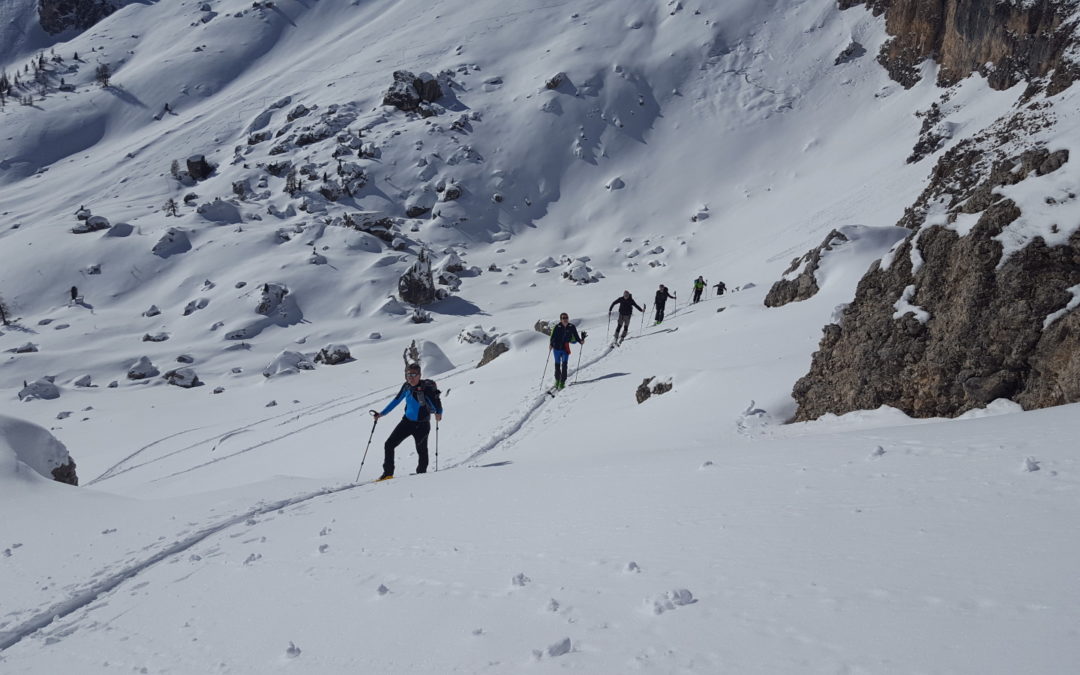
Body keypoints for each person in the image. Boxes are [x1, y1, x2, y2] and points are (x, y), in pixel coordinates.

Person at [373, 362, 443, 480]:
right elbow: (396, 401)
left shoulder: (426, 388)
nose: (411, 377)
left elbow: (436, 403)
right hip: (407, 422)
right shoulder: (406, 386)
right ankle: (388, 474)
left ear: (419, 375)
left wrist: (439, 413)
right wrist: (382, 413)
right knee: (389, 444)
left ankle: (421, 475)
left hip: (422, 425)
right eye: (408, 374)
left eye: (414, 374)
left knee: (421, 451)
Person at [549, 313, 586, 390]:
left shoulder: (571, 327)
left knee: (565, 366)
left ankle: (562, 383)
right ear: (560, 319)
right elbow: (553, 337)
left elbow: (576, 336)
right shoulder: (557, 327)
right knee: (557, 366)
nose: (565, 319)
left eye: (566, 317)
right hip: (556, 349)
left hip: (565, 348)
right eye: (563, 318)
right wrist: (551, 344)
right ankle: (557, 381)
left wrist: (580, 341)